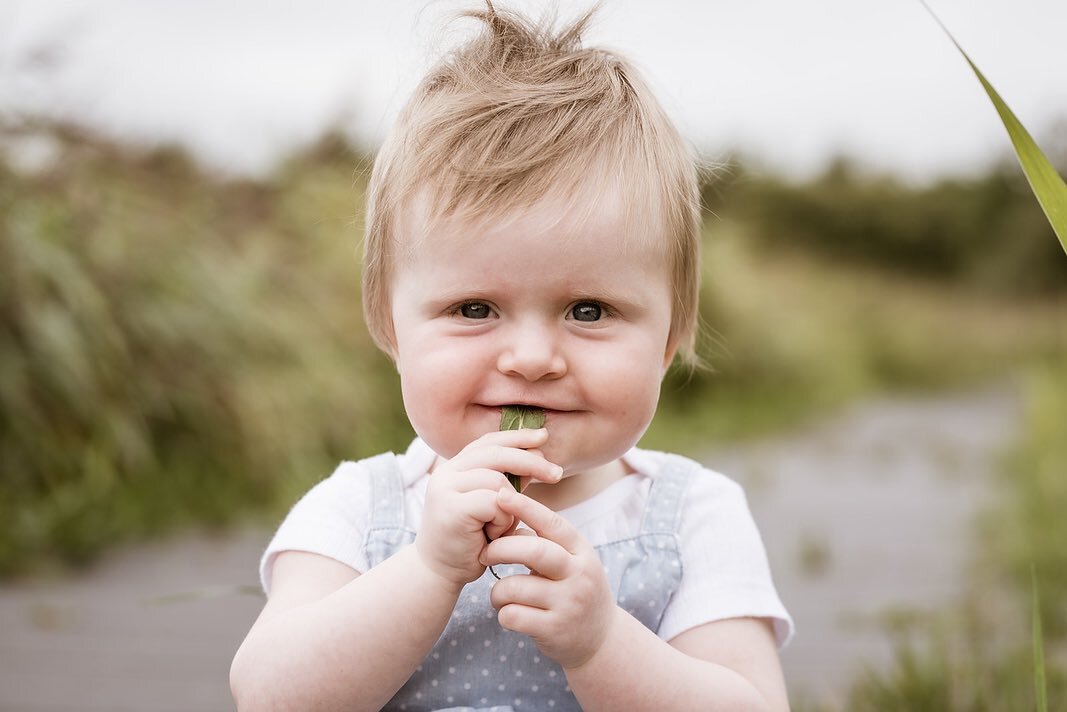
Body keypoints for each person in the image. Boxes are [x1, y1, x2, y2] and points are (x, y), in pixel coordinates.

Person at [230, 3, 793, 710]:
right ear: (389, 326)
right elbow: (270, 697)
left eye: (588, 311)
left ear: (669, 335)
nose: (531, 359)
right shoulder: (359, 510)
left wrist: (600, 644)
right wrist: (429, 570)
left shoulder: (689, 518)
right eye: (474, 309)